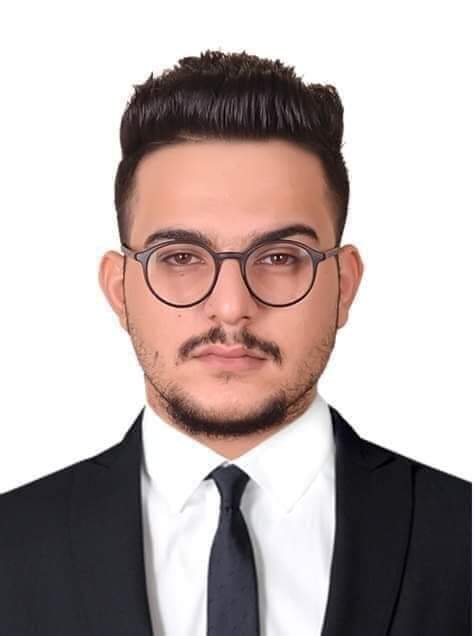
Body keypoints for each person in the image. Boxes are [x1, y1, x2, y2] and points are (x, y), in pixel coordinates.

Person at [0, 49, 470, 636]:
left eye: (279, 257)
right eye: (180, 257)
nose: (230, 307)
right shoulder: (11, 547)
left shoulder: (462, 537)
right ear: (119, 290)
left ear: (344, 286)